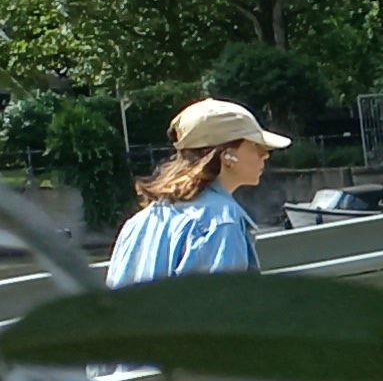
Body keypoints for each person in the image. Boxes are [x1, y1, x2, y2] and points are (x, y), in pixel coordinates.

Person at [107, 94, 287, 281]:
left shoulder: (140, 222)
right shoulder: (221, 222)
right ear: (227, 156)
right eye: (258, 147)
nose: (265, 156)